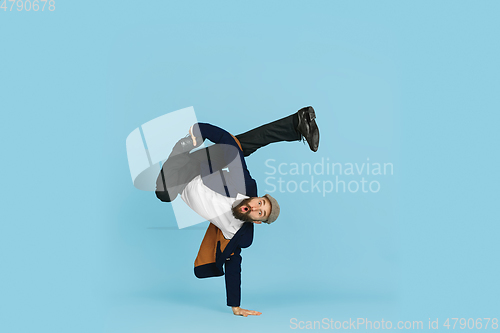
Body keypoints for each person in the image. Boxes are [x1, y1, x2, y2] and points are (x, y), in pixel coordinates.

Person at [155, 106, 320, 316]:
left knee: (165, 192)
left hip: (182, 180)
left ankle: (297, 123)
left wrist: (236, 306)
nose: (256, 207)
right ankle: (183, 147)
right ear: (257, 198)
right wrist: (200, 130)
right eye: (261, 203)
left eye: (261, 212)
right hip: (202, 166)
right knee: (235, 149)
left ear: (257, 221)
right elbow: (229, 143)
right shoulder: (244, 186)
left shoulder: (236, 232)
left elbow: (234, 264)